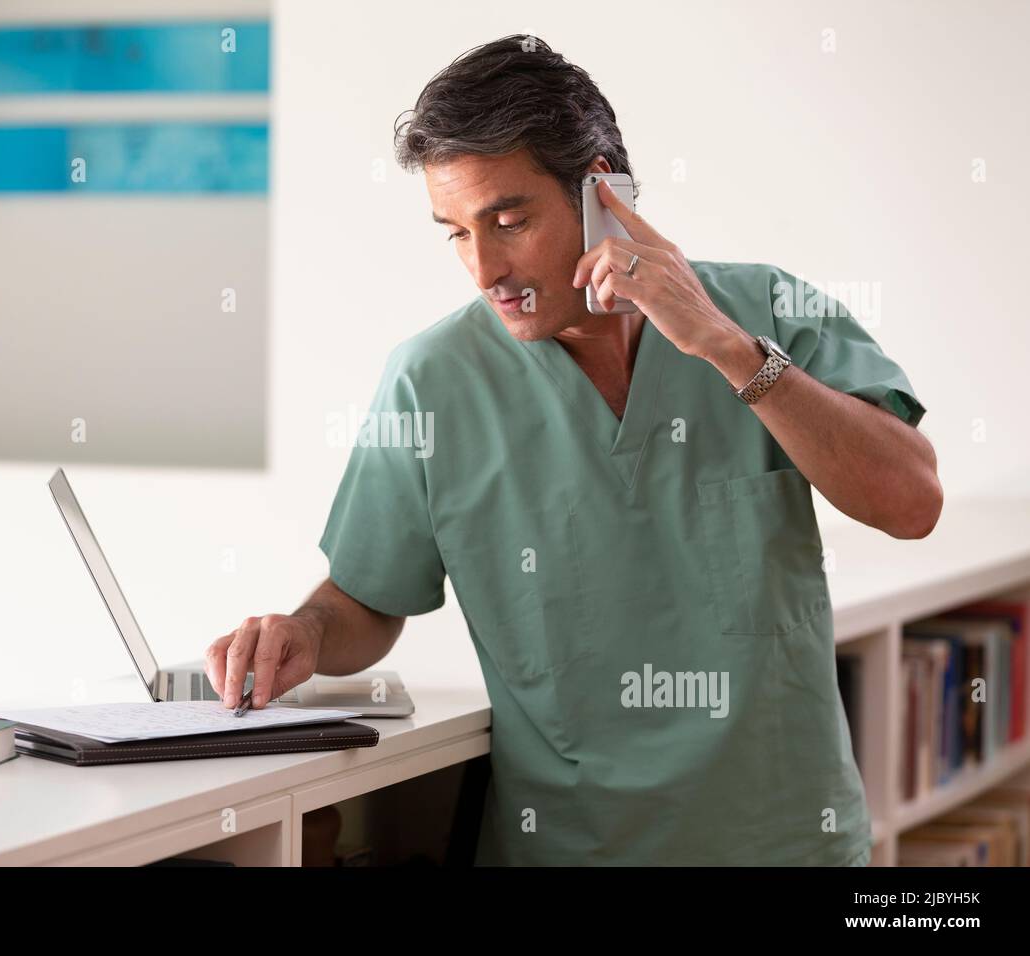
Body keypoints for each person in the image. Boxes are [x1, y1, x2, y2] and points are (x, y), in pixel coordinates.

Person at [204, 35, 942, 865]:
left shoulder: (767, 308)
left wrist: (731, 352)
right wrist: (300, 634)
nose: (484, 268)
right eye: (454, 233)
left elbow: (911, 501)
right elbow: (371, 597)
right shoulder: (431, 382)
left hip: (785, 841)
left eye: (508, 221)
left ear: (601, 193)